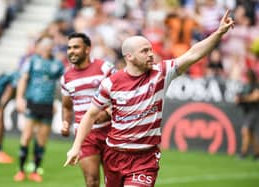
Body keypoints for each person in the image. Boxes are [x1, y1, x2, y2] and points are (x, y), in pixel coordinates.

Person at [64, 10, 234, 187]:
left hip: (145, 158)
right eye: (144, 51)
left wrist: (219, 32)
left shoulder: (161, 73)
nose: (151, 54)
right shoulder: (111, 83)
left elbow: (193, 54)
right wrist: (76, 147)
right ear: (129, 57)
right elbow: (90, 115)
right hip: (114, 155)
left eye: (151, 50)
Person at [60, 32, 114, 187]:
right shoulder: (66, 78)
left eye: (76, 47)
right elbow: (67, 106)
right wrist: (65, 122)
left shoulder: (105, 68)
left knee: (114, 181)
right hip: (85, 135)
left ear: (87, 49)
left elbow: (122, 95)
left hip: (109, 131)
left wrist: (107, 113)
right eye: (69, 48)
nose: (71, 51)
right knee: (92, 181)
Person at [13, 35, 64, 182]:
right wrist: (19, 98)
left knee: (42, 139)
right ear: (40, 46)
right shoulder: (32, 61)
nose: (48, 46)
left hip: (47, 105)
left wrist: (56, 102)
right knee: (27, 136)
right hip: (32, 102)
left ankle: (35, 170)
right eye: (45, 43)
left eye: (50, 43)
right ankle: (21, 170)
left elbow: (61, 86)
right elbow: (23, 79)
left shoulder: (57, 64)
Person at [235, 69, 259, 160]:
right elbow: (238, 97)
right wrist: (238, 99)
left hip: (254, 111)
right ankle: (257, 154)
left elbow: (256, 97)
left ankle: (243, 153)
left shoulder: (256, 85)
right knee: (251, 134)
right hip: (247, 111)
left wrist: (243, 99)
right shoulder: (245, 86)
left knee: (245, 130)